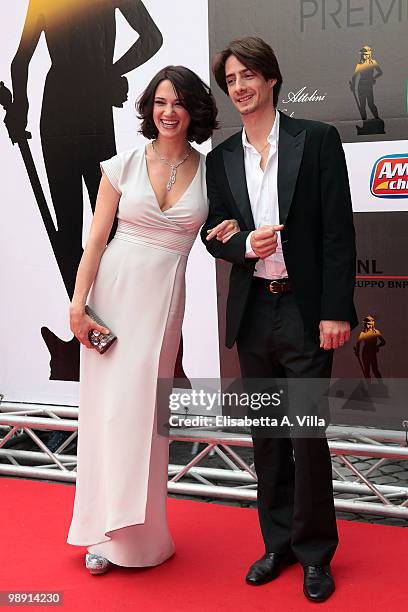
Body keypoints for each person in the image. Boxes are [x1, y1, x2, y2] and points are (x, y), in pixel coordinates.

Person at [202, 37, 357, 602]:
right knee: (266, 438)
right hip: (253, 312)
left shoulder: (315, 140)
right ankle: (277, 544)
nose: (239, 86)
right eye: (231, 78)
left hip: (304, 310)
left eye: (248, 75)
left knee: (306, 436)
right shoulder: (221, 158)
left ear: (270, 79)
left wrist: (336, 311)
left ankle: (316, 552)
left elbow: (340, 233)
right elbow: (213, 232)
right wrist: (244, 243)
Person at [67, 65, 232, 574]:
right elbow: (96, 240)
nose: (168, 111)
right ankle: (101, 531)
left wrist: (232, 232)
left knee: (146, 417)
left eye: (178, 102)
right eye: (160, 102)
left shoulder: (212, 171)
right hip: (112, 297)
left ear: (194, 111)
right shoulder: (122, 165)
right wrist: (77, 305)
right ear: (149, 108)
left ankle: (144, 537)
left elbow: (221, 230)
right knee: (108, 412)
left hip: (163, 302)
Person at [7, 0, 163, 382]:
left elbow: (152, 37)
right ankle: (88, 324)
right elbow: (21, 59)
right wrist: (20, 110)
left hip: (78, 111)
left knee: (106, 228)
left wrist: (112, 71)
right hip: (63, 113)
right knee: (72, 228)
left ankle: (113, 322)